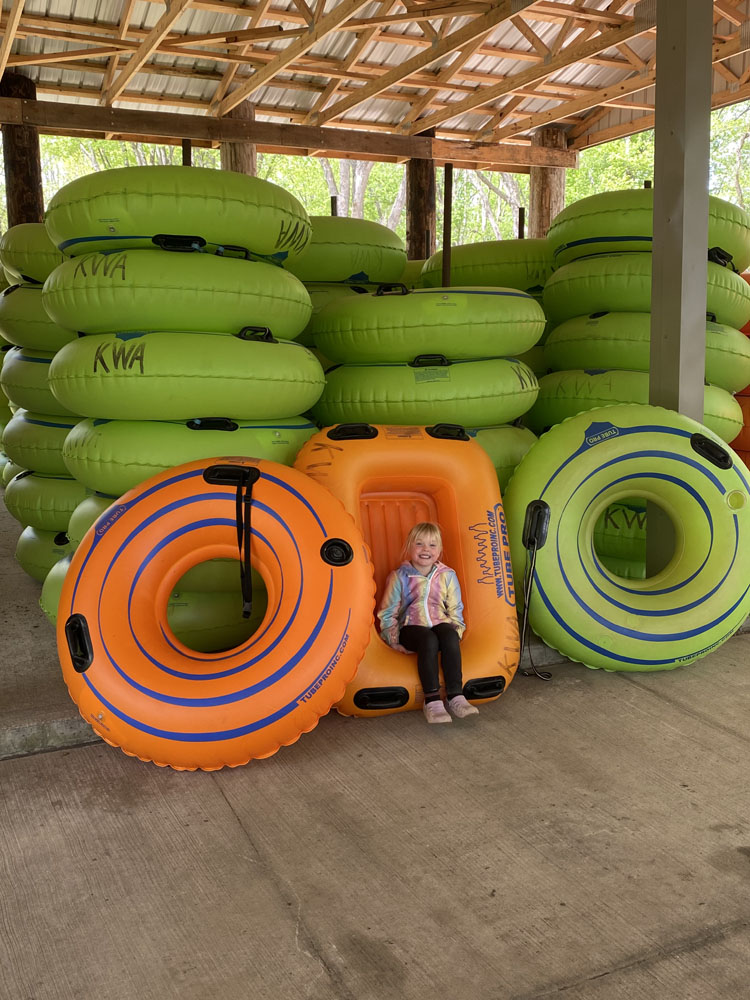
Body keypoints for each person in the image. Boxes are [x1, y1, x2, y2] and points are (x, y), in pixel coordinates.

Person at [377, 521, 479, 724]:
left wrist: (456, 633)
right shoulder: (400, 577)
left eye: (432, 545)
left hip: (439, 624)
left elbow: (455, 608)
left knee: (448, 633)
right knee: (428, 638)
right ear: (409, 547)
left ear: (439, 550)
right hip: (411, 629)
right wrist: (393, 640)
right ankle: (432, 700)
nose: (426, 549)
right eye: (419, 544)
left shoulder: (447, 575)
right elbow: (388, 613)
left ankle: (455, 695)